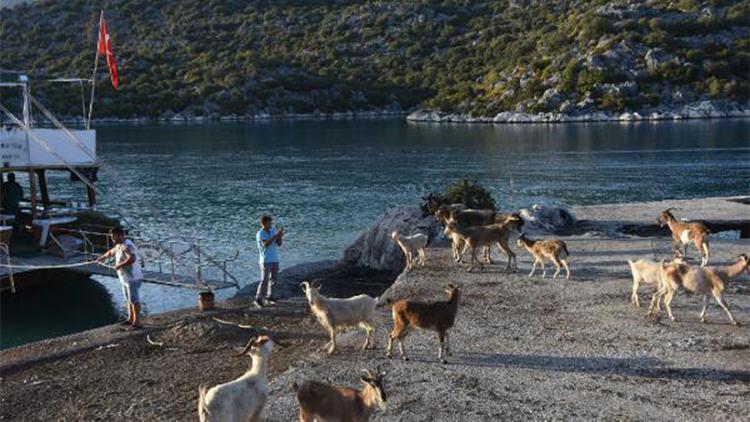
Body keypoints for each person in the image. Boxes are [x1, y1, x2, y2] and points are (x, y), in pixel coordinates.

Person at [97, 227, 144, 329]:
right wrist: (101, 258)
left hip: (133, 278)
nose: (112, 239)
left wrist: (119, 265)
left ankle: (137, 322)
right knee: (128, 300)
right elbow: (111, 252)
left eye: (113, 237)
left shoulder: (126, 245)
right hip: (125, 278)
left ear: (120, 235)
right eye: (111, 237)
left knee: (134, 300)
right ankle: (130, 319)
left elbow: (132, 258)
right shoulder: (119, 245)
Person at [254, 214, 283, 308]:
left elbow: (279, 244)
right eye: (269, 222)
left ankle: (270, 296)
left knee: (274, 279)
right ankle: (258, 298)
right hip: (265, 260)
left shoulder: (273, 231)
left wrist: (280, 236)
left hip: (275, 259)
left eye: (271, 222)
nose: (271, 224)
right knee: (264, 280)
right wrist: (275, 236)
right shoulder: (260, 233)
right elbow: (266, 244)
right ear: (264, 223)